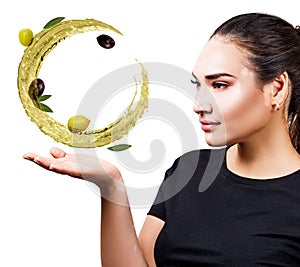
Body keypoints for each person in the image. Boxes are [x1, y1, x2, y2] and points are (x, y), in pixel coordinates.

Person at [23, 12, 300, 266]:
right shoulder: (189, 170)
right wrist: (111, 186)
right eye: (198, 85)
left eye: (219, 85)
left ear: (275, 89)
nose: (198, 104)